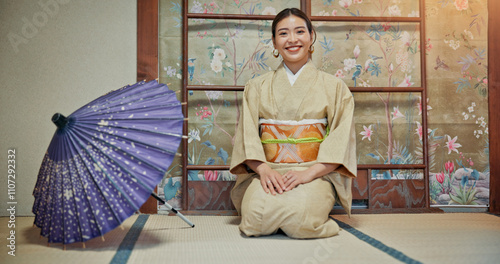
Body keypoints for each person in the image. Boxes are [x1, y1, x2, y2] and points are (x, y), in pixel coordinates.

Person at [229, 8, 357, 239]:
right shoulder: (256, 87)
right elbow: (247, 138)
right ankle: (276, 207)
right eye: (283, 34)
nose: (292, 40)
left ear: (311, 37)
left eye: (299, 31)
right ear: (275, 42)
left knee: (302, 219)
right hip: (268, 173)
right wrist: (264, 169)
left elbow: (340, 144)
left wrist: (307, 175)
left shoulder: (335, 88)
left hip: (315, 173)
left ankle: (310, 215)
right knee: (254, 220)